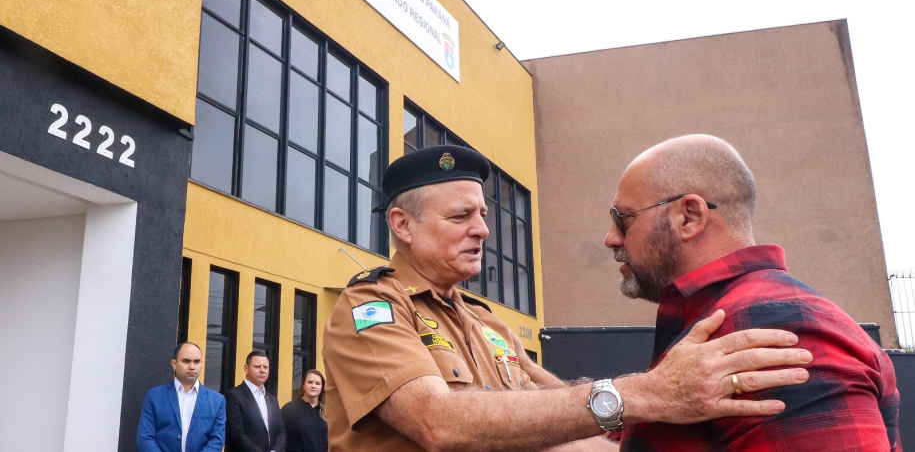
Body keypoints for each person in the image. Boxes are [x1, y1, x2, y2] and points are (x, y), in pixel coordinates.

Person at [322, 144, 814, 451]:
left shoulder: (486, 325)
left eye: (482, 215)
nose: (482, 231)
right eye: (460, 218)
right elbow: (439, 424)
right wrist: (647, 394)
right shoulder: (371, 311)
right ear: (402, 225)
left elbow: (558, 422)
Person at [605, 134, 901, 450]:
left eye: (623, 219)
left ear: (688, 217)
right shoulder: (725, 319)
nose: (611, 238)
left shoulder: (777, 325)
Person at [137, 342, 226, 452]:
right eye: (186, 361)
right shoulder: (155, 396)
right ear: (174, 364)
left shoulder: (217, 400)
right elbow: (145, 438)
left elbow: (217, 440)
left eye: (197, 361)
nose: (192, 367)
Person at [225, 351, 286, 452]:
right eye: (257, 367)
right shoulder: (233, 396)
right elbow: (236, 434)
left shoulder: (272, 400)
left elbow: (280, 432)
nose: (262, 371)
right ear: (246, 368)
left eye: (265, 367)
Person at [282, 369, 328, 452]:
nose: (313, 386)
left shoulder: (327, 412)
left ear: (322, 387)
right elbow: (280, 437)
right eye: (310, 382)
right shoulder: (289, 409)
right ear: (303, 385)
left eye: (317, 383)